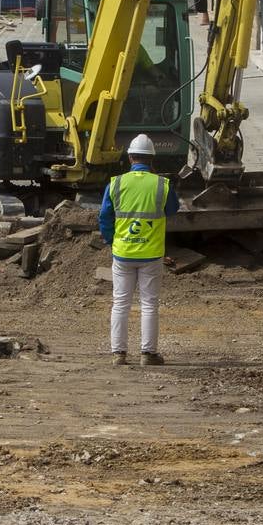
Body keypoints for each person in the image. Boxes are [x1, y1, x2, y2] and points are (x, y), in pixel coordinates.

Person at [99, 133, 179, 366]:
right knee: (149, 304)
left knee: (120, 302)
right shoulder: (161, 185)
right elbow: (172, 209)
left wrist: (110, 240)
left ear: (130, 157)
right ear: (152, 160)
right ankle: (148, 354)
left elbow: (104, 217)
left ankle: (118, 354)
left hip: (123, 252)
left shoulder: (116, 183)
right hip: (151, 253)